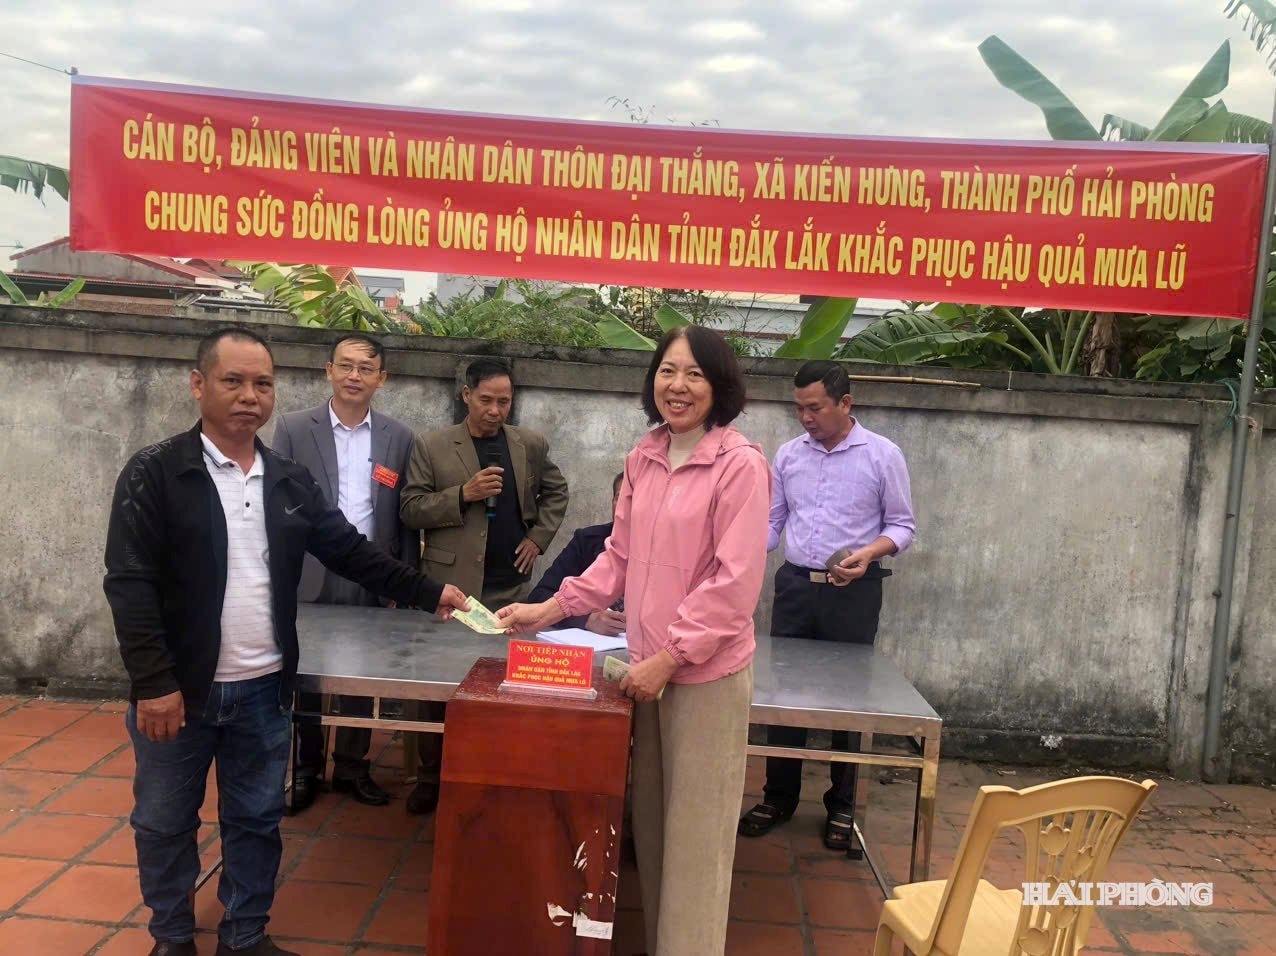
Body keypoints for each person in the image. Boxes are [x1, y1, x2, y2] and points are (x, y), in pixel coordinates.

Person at [103, 327, 468, 956]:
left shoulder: (287, 480)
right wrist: (153, 684)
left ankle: (244, 937)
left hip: (264, 690)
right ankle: (171, 937)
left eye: (263, 384)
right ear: (198, 385)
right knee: (164, 825)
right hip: (179, 696)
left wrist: (429, 592)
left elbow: (352, 552)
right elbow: (130, 585)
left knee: (255, 821)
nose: (250, 396)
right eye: (233, 381)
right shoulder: (157, 473)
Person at [498, 327, 770, 956]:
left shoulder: (740, 465)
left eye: (695, 374)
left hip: (701, 678)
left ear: (719, 385)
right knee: (652, 832)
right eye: (668, 371)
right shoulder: (644, 456)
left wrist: (671, 657)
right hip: (642, 673)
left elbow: (735, 582)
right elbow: (618, 557)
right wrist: (548, 610)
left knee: (697, 843)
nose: (678, 386)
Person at [738, 360, 915, 852]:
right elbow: (774, 522)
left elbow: (903, 526)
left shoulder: (882, 456)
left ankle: (842, 805)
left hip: (852, 592)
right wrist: (741, 553)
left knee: (849, 701)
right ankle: (778, 797)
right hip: (795, 586)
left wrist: (870, 553)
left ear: (845, 404)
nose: (805, 418)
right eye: (798, 408)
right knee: (782, 696)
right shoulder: (790, 455)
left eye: (814, 407)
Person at [399, 356, 569, 814]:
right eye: (488, 400)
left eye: (505, 401)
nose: (496, 410)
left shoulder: (528, 444)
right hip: (451, 590)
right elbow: (410, 508)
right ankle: (431, 776)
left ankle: (494, 770)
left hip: (510, 588)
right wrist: (463, 494)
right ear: (466, 395)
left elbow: (557, 492)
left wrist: (538, 538)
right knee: (438, 684)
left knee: (502, 684)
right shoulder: (432, 445)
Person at [271, 333, 418, 810]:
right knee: (307, 674)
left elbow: (401, 514)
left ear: (382, 378)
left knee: (360, 674)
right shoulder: (294, 428)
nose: (355, 376)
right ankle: (305, 770)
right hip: (310, 570)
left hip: (369, 569)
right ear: (328, 370)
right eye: (346, 366)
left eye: (366, 368)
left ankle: (353, 767)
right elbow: (280, 505)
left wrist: (401, 578)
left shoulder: (399, 437)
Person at [527, 471, 626, 634]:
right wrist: (587, 619)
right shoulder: (587, 540)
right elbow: (540, 596)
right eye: (620, 498)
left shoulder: (671, 552)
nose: (625, 507)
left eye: (634, 500)